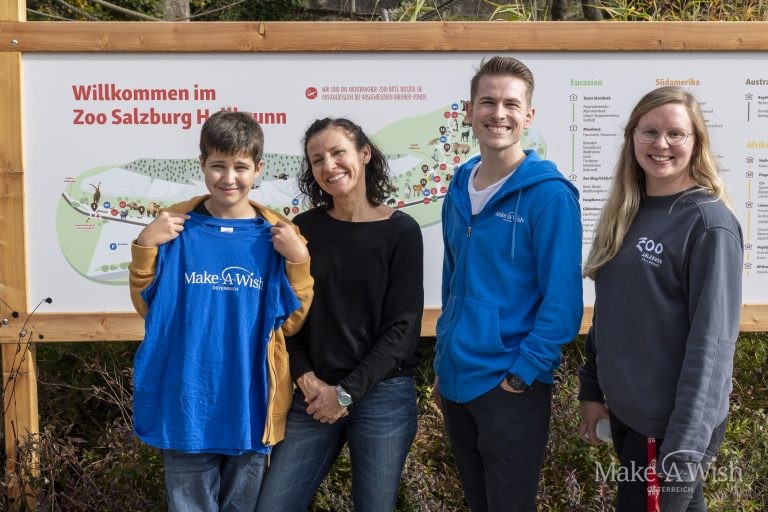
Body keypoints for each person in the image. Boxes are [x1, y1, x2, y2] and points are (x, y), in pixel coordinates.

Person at [128, 110, 313, 511]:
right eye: (218, 166)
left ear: (258, 169)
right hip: (186, 407)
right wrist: (145, 246)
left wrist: (298, 261)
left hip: (249, 408)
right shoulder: (175, 232)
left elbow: (293, 321)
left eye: (240, 167)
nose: (229, 178)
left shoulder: (278, 237)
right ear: (202, 164)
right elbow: (149, 308)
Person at [578, 86, 743, 512]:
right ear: (632, 138)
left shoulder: (709, 225)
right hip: (630, 420)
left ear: (696, 142)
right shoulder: (627, 210)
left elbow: (712, 350)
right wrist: (593, 389)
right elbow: (613, 313)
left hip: (671, 433)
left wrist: (683, 454)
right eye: (649, 132)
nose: (661, 144)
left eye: (676, 133)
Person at [433, 56, 583, 512]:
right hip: (457, 381)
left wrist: (522, 374)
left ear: (528, 115)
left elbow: (563, 303)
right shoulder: (459, 187)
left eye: (511, 104)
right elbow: (452, 279)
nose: (499, 113)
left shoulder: (551, 195)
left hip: (510, 385)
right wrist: (444, 354)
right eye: (488, 102)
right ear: (469, 110)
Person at [256, 118, 423, 512]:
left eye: (337, 153)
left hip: (383, 397)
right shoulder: (303, 230)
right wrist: (303, 374)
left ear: (364, 154)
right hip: (313, 394)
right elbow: (287, 313)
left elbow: (403, 329)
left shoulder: (401, 231)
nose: (328, 165)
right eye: (317, 159)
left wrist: (346, 393)